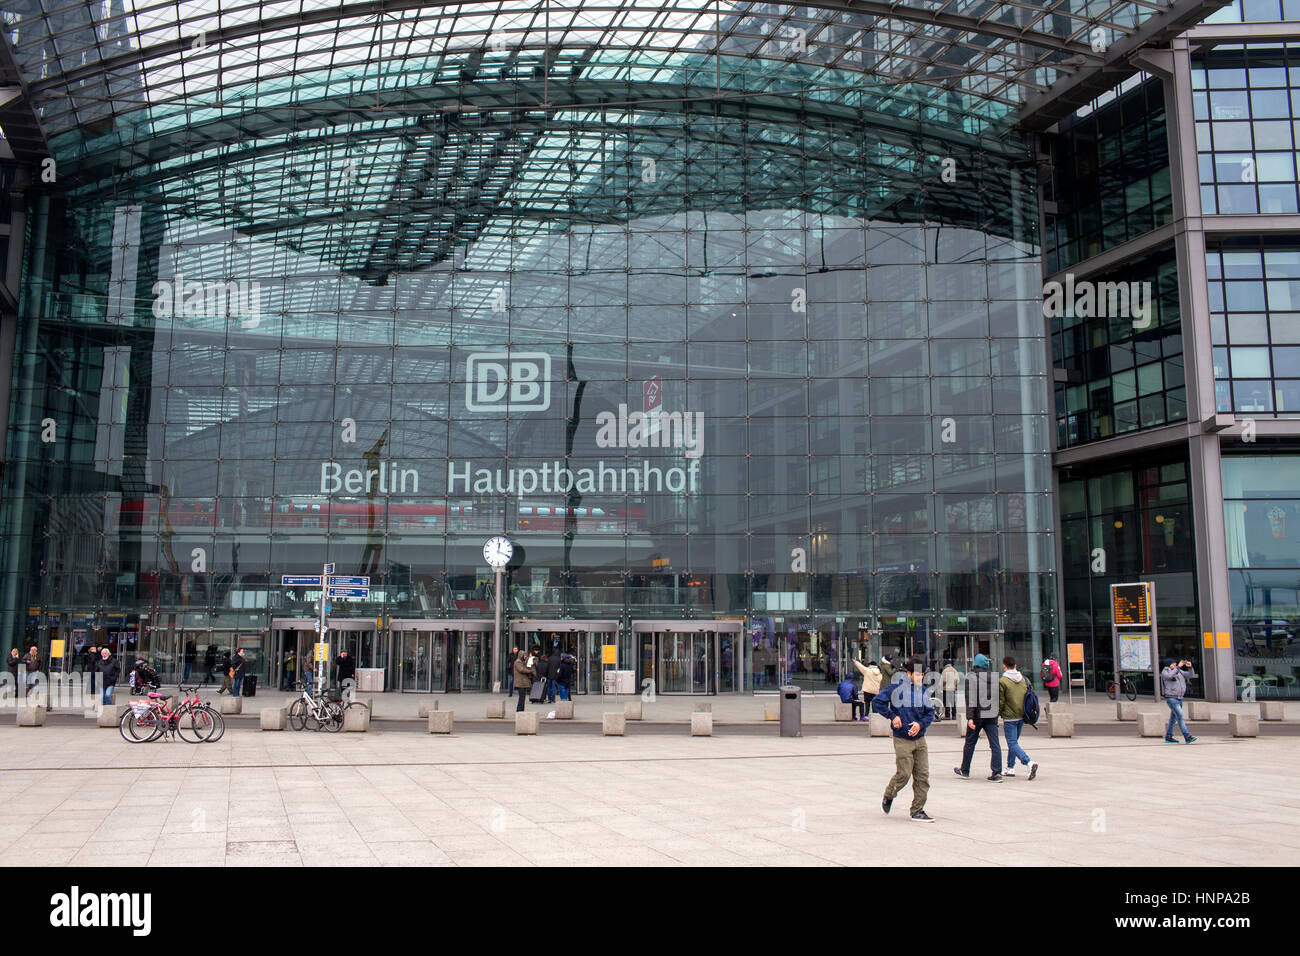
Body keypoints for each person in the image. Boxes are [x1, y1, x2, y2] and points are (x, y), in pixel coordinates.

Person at [872, 654, 937, 822]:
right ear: (908, 674)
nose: (920, 677)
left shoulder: (923, 691)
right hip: (902, 739)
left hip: (920, 739)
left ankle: (918, 810)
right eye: (917, 674)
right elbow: (877, 702)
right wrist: (892, 716)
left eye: (922, 674)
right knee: (904, 774)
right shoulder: (896, 688)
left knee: (923, 776)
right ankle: (889, 794)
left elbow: (930, 713)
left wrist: (920, 725)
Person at [954, 653, 1002, 781]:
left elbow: (970, 699)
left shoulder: (971, 677)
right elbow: (998, 698)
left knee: (970, 742)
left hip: (977, 715)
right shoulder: (994, 677)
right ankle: (997, 773)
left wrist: (970, 717)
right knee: (995, 744)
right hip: (991, 715)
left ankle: (965, 770)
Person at [998, 656, 1038, 780]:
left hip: (1010, 717)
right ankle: (1010, 767)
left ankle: (1028, 762)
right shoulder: (1025, 680)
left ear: (1004, 666)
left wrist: (998, 714)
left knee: (1012, 742)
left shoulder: (1003, 681)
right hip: (1022, 715)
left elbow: (1001, 701)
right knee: (1014, 742)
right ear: (1015, 666)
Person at [1160, 658, 1198, 744]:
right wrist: (1177, 667)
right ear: (1168, 664)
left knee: (1173, 719)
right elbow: (1169, 676)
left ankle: (1168, 737)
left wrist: (1190, 667)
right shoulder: (1165, 672)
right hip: (1171, 698)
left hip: (1179, 698)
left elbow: (1190, 675)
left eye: (1175, 663)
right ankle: (1187, 737)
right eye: (1173, 664)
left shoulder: (1179, 671)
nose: (1174, 665)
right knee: (1180, 717)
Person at [852, 658, 883, 722]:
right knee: (874, 703)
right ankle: (875, 714)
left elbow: (861, 667)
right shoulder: (879, 672)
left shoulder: (867, 670)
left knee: (867, 702)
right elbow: (880, 681)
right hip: (875, 690)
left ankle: (866, 714)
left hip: (867, 690)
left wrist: (856, 662)